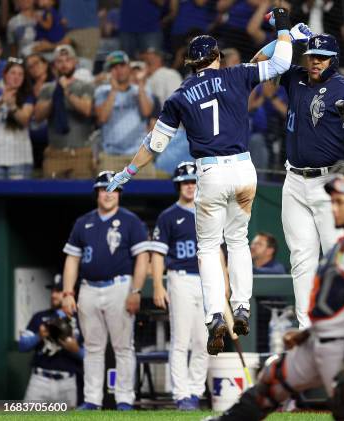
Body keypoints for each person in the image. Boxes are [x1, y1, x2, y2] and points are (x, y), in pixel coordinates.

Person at [104, 12, 302, 355]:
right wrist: (285, 30)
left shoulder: (179, 96)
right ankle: (241, 306)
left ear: (191, 62)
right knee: (237, 240)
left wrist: (127, 173)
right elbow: (281, 62)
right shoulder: (236, 75)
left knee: (209, 248)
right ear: (218, 57)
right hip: (243, 169)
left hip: (209, 173)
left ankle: (215, 315)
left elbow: (155, 145)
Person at [203, 160, 344, 421]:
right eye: (333, 201)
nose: (333, 208)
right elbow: (334, 306)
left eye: (341, 202)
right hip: (320, 344)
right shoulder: (343, 245)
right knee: (270, 383)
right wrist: (306, 335)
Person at [252, 32, 344, 328]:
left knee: (335, 258)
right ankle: (306, 329)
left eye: (323, 57)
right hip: (294, 181)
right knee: (301, 259)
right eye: (312, 55)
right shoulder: (295, 76)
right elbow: (258, 62)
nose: (316, 62)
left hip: (329, 185)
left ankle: (342, 325)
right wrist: (286, 38)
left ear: (333, 60)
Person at [61, 171, 150, 410]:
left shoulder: (131, 221)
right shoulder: (83, 222)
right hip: (88, 288)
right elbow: (72, 260)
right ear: (97, 193)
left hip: (119, 286)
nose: (108, 193)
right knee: (92, 348)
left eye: (113, 189)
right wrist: (68, 292)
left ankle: (124, 399)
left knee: (123, 347)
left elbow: (143, 258)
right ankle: (92, 400)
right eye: (104, 189)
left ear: (119, 193)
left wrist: (136, 291)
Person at [150, 162, 209, 410]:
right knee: (180, 340)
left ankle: (196, 392)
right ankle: (182, 395)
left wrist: (225, 284)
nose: (190, 186)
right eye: (186, 182)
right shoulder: (168, 216)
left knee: (204, 341)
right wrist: (157, 285)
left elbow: (220, 253)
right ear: (178, 186)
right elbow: (157, 254)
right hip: (180, 277)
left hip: (206, 280)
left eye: (193, 181)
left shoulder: (210, 211)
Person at [19, 275, 83, 407]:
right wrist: (39, 336)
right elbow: (22, 345)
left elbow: (93, 357)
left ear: (70, 294)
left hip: (67, 381)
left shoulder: (82, 319)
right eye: (53, 291)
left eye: (59, 291)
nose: (54, 295)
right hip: (40, 379)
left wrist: (76, 350)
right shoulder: (40, 317)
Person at [34, 45, 95, 179]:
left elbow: (86, 110)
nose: (64, 64)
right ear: (54, 64)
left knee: (82, 197)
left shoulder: (85, 86)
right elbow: (38, 116)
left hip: (80, 153)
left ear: (75, 62)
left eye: (68, 60)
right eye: (60, 61)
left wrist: (66, 92)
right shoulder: (47, 89)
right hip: (55, 154)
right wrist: (56, 95)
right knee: (51, 197)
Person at [95, 50, 156, 177]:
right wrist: (113, 90)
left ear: (129, 68)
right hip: (110, 156)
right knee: (108, 194)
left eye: (122, 65)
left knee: (148, 194)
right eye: (114, 67)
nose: (119, 70)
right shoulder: (102, 91)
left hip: (138, 155)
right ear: (109, 72)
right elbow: (102, 118)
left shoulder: (141, 90)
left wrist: (140, 84)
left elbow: (147, 112)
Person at [0, 59, 35, 179]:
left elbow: (25, 119)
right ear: (5, 75)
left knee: (20, 196)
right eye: (13, 73)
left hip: (19, 157)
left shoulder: (27, 96)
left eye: (20, 74)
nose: (16, 77)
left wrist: (12, 106)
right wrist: (2, 100)